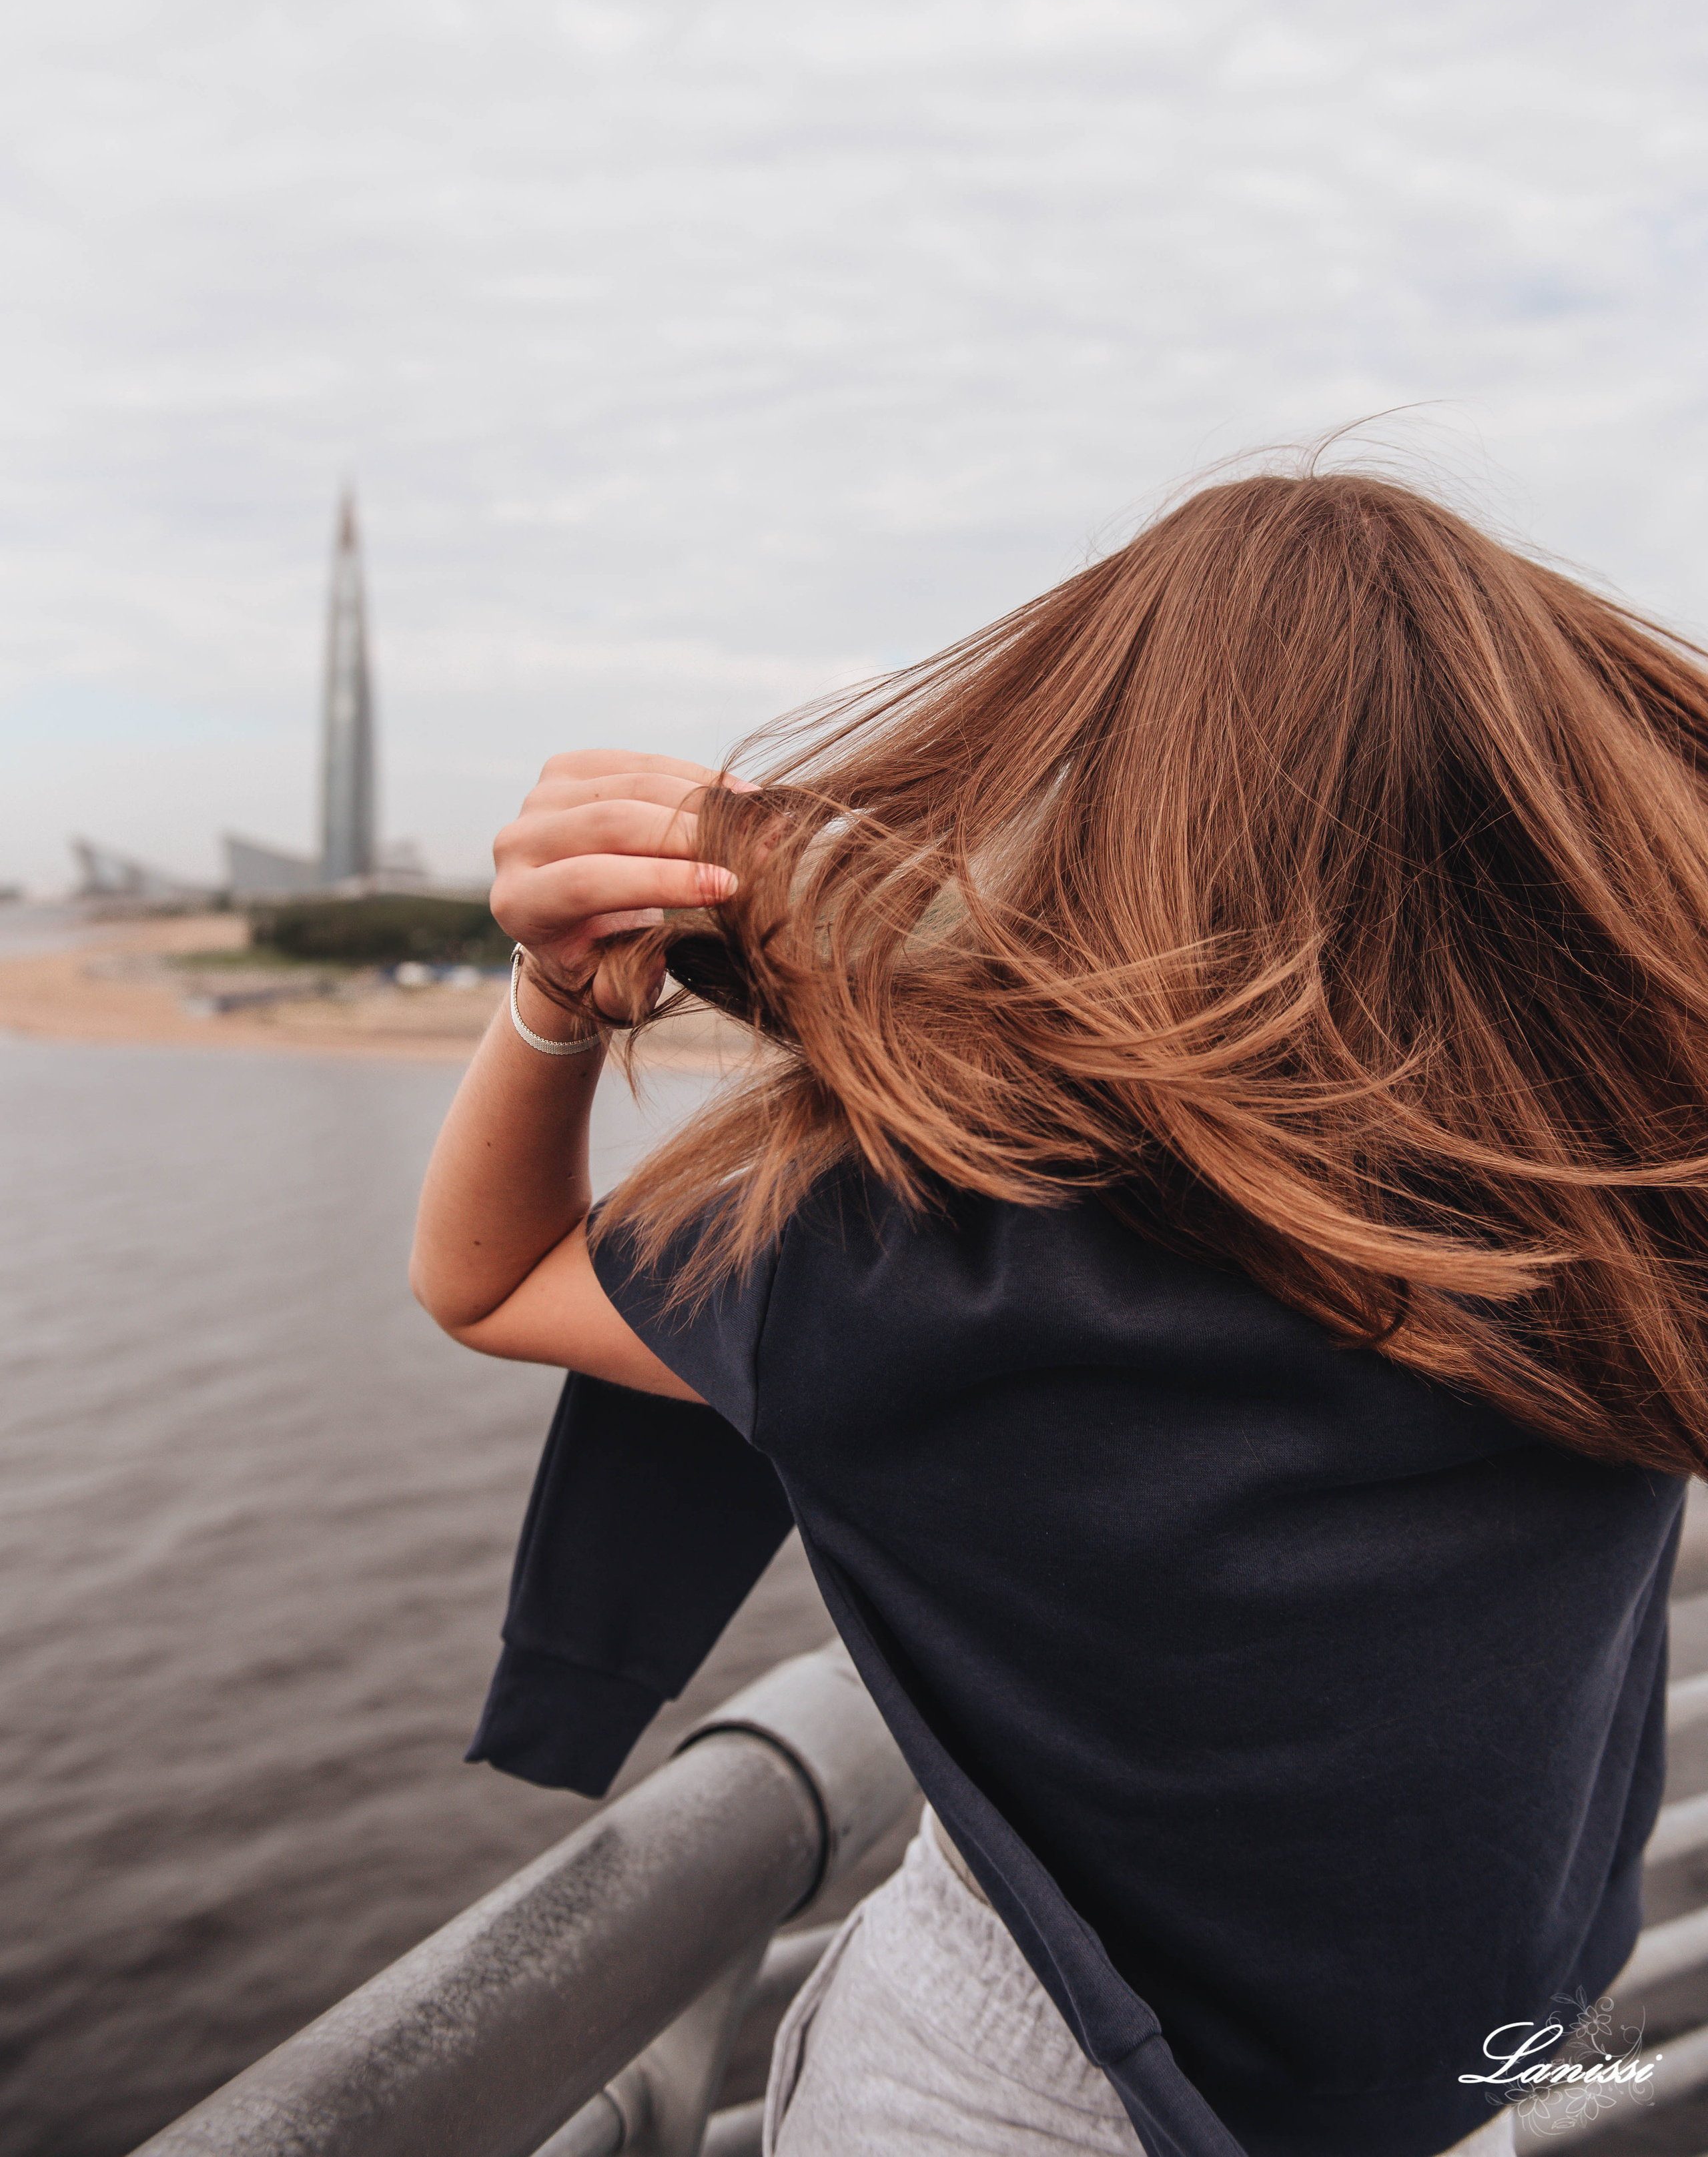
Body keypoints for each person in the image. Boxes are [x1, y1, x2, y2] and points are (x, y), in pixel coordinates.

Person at [410, 470, 1708, 2157]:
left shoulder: (926, 1265)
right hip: (1457, 2082)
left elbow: (489, 1278)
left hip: (1006, 2095)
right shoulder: (1632, 1227)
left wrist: (557, 1005)